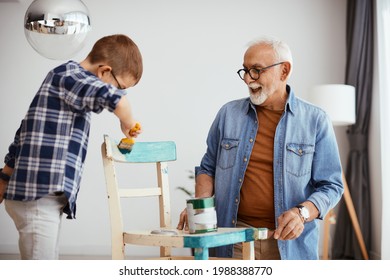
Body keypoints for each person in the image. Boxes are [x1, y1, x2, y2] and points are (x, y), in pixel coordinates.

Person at [177, 36, 344, 260]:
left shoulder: (316, 120)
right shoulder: (228, 114)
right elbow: (208, 168)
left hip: (289, 245)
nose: (248, 79)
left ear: (284, 71)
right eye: (245, 70)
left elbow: (331, 185)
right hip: (233, 239)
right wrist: (200, 211)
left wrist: (301, 213)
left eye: (256, 70)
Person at [0, 34, 143, 260]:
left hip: (38, 195)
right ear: (104, 71)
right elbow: (117, 101)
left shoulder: (65, 82)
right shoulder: (71, 76)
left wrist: (5, 177)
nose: (121, 92)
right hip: (38, 194)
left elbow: (24, 133)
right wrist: (127, 123)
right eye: (121, 85)